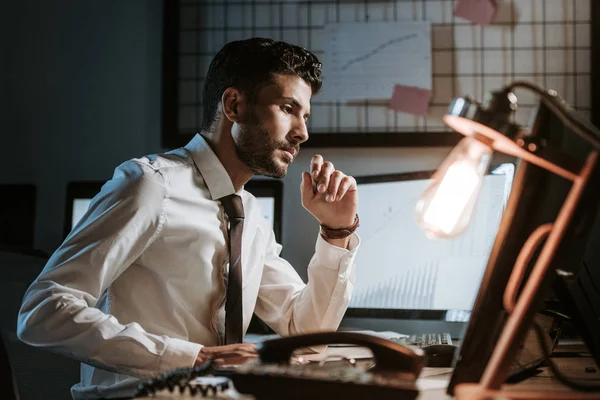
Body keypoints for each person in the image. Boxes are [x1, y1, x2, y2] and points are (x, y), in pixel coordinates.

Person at [17, 37, 360, 399]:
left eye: (304, 116)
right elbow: (43, 311)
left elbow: (306, 335)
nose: (302, 132)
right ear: (234, 105)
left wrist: (336, 232)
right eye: (288, 108)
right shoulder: (150, 185)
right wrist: (194, 359)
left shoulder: (248, 213)